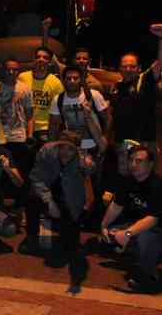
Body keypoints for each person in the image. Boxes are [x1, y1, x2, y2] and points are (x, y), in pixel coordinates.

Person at [100, 145, 162, 292]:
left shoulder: (158, 186)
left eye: (139, 161)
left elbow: (152, 219)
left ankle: (145, 276)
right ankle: (145, 257)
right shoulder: (129, 181)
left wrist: (127, 233)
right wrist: (103, 226)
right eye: (132, 160)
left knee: (143, 236)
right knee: (112, 232)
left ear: (150, 164)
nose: (133, 165)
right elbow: (116, 206)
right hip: (150, 228)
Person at [23, 131, 94, 278]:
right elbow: (36, 178)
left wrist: (87, 162)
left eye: (70, 149)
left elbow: (91, 169)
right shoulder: (46, 152)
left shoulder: (81, 161)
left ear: (76, 150)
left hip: (68, 197)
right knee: (32, 197)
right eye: (62, 147)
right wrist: (49, 201)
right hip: (47, 191)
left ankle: (65, 234)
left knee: (69, 246)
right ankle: (31, 237)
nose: (65, 152)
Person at [49, 65, 110, 220]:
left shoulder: (93, 95)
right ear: (63, 80)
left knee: (98, 185)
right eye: (68, 78)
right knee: (75, 184)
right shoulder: (59, 99)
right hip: (73, 149)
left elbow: (107, 118)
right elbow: (54, 125)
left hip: (95, 146)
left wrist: (105, 140)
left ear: (81, 80)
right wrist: (52, 147)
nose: (72, 81)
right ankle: (78, 215)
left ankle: (98, 217)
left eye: (75, 78)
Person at [109, 24, 162, 176]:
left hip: (145, 143)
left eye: (132, 66)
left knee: (145, 181)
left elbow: (161, 60)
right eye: (125, 66)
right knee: (124, 180)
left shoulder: (145, 79)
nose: (128, 69)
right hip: (122, 143)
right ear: (120, 69)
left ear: (138, 68)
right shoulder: (115, 87)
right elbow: (111, 115)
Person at [0, 58, 35, 177]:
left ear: (18, 71)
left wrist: (30, 135)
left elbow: (30, 115)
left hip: (19, 136)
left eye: (15, 70)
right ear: (3, 70)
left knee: (19, 171)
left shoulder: (26, 89)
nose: (11, 72)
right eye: (8, 69)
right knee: (1, 172)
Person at [18, 46, 64, 144]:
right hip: (22, 127)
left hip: (44, 128)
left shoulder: (56, 83)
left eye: (45, 57)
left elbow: (59, 110)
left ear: (50, 62)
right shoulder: (22, 77)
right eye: (38, 56)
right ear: (33, 59)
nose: (41, 59)